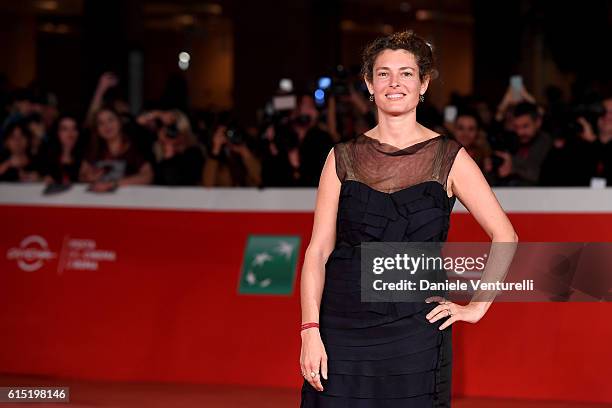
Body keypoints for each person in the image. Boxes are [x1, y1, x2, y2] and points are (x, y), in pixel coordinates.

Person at [299, 30, 518, 407]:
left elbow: (505, 234)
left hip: (416, 329)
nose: (394, 83)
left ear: (423, 83)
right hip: (342, 325)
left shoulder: (449, 157)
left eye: (406, 73)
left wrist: (478, 306)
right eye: (383, 74)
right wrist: (309, 330)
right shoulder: (341, 158)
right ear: (369, 83)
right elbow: (318, 252)